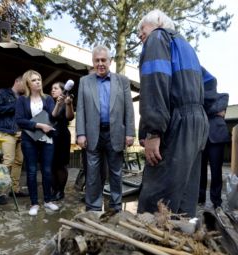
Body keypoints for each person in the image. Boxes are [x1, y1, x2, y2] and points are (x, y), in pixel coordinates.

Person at [137, 9, 209, 218]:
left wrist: (153, 132)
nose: (141, 36)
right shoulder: (187, 47)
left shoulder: (157, 38)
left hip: (175, 122)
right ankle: (181, 240)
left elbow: (155, 82)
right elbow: (210, 84)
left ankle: (151, 246)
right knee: (185, 196)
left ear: (159, 21)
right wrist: (213, 113)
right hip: (197, 122)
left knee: (156, 198)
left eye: (142, 29)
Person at [76, 45, 135, 212]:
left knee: (116, 172)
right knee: (93, 173)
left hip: (115, 133)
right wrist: (80, 133)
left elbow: (128, 109)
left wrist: (130, 133)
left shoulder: (122, 81)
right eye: (97, 60)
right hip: (92, 134)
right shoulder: (84, 81)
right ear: (93, 62)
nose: (100, 63)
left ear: (110, 61)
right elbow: (80, 109)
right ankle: (93, 207)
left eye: (104, 60)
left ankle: (116, 206)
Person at [15, 70, 61, 216]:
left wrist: (58, 105)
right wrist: (39, 126)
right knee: (32, 171)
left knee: (47, 171)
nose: (38, 82)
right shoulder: (22, 100)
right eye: (34, 80)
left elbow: (53, 118)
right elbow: (20, 120)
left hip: (47, 139)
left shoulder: (47, 99)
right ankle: (34, 203)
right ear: (28, 83)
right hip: (29, 140)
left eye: (39, 79)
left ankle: (47, 201)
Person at [198, 67, 230, 209]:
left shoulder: (223, 96)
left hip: (217, 137)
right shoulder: (200, 98)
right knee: (201, 170)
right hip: (202, 137)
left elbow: (206, 110)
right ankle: (200, 198)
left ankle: (216, 201)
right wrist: (215, 111)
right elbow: (208, 110)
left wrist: (206, 110)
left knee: (216, 171)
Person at [0, 76, 28, 204]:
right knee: (8, 161)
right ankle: (1, 192)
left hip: (20, 133)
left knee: (19, 161)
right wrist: (15, 105)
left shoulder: (24, 98)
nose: (26, 87)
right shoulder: (2, 93)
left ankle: (14, 189)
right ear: (17, 81)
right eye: (24, 84)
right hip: (6, 131)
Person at [50, 82, 74, 201]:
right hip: (50, 136)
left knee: (60, 165)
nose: (52, 90)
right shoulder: (50, 102)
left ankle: (61, 191)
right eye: (52, 89)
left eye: (55, 88)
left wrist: (68, 104)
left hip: (62, 136)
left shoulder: (67, 102)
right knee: (51, 165)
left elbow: (70, 117)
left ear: (63, 90)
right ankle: (54, 189)